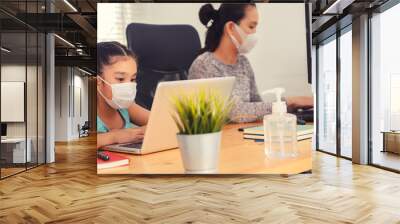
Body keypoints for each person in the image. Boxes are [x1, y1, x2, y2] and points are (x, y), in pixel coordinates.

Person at [188, 3, 313, 123]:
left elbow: (257, 105)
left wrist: (292, 106)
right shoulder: (203, 65)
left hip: (242, 137)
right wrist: (289, 102)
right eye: (251, 27)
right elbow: (230, 112)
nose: (255, 34)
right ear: (231, 28)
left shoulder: (243, 63)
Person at [97, 41, 149, 149]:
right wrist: (114, 136)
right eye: (120, 79)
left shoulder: (126, 107)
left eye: (132, 79)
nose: (128, 86)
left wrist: (137, 132)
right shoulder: (84, 111)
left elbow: (162, 122)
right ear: (98, 80)